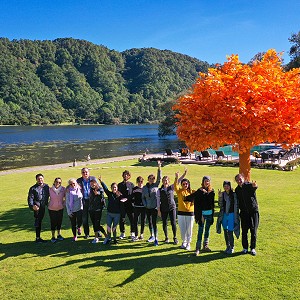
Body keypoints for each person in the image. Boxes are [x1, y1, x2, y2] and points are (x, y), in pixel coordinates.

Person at [185, 176, 215, 256]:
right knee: (200, 231)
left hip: (209, 214)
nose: (207, 182)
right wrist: (200, 215)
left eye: (208, 181)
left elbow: (211, 203)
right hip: (202, 215)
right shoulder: (199, 191)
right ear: (203, 182)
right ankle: (197, 248)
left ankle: (205, 246)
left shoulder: (212, 191)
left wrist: (207, 193)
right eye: (205, 181)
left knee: (207, 231)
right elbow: (189, 198)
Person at [156, 173, 185, 245]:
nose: (165, 181)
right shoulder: (159, 190)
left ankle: (175, 237)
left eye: (166, 180)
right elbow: (158, 201)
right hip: (163, 208)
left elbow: (178, 181)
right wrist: (158, 210)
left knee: (173, 223)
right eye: (164, 180)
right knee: (164, 223)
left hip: (172, 207)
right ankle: (166, 237)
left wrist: (183, 174)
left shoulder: (172, 187)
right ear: (162, 181)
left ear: (169, 181)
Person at [235, 174, 259, 256]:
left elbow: (254, 187)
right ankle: (245, 248)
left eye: (240, 179)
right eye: (237, 180)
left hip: (253, 212)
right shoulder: (237, 190)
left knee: (253, 230)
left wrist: (255, 186)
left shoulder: (248, 185)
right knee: (244, 231)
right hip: (244, 213)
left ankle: (252, 248)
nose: (239, 181)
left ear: (243, 178)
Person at [216, 181, 240, 254]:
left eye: (227, 186)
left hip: (231, 215)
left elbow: (236, 205)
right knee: (225, 231)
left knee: (230, 231)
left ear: (230, 186)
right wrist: (220, 197)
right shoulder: (223, 194)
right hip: (224, 215)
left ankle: (232, 247)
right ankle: (227, 246)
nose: (226, 187)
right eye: (225, 186)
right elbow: (220, 205)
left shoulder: (234, 194)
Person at [99, 176, 124, 245]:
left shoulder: (120, 195)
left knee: (114, 228)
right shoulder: (109, 194)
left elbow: (122, 205)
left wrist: (122, 215)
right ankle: (109, 238)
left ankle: (115, 239)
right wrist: (101, 181)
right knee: (109, 227)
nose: (114, 189)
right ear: (111, 188)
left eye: (115, 187)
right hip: (109, 214)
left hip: (117, 214)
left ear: (117, 188)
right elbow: (105, 188)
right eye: (113, 187)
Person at [142, 161, 162, 246]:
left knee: (154, 222)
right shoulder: (144, 187)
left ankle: (156, 238)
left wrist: (159, 167)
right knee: (149, 222)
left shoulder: (156, 185)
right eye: (150, 178)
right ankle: (152, 235)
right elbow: (142, 197)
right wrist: (145, 204)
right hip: (147, 207)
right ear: (148, 179)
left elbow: (159, 178)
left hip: (154, 208)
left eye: (153, 179)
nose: (152, 180)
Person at [174, 168, 194, 251]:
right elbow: (175, 185)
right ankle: (184, 242)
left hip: (190, 213)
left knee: (189, 229)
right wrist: (177, 177)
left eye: (186, 184)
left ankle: (188, 243)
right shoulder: (179, 191)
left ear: (188, 184)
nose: (185, 185)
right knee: (182, 229)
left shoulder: (192, 192)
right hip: (181, 213)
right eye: (184, 184)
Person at [27, 173, 50, 243]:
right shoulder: (33, 188)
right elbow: (30, 198)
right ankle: (38, 238)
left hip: (43, 206)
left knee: (40, 220)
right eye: (38, 179)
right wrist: (32, 206)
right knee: (38, 221)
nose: (40, 180)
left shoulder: (46, 186)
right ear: (36, 180)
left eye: (41, 178)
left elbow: (50, 194)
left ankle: (38, 237)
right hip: (37, 207)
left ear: (43, 179)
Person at [76, 168, 97, 239]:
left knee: (94, 218)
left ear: (89, 172)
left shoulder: (93, 178)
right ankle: (86, 233)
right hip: (83, 202)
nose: (85, 173)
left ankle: (97, 232)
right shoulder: (78, 181)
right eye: (83, 172)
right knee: (85, 219)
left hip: (92, 202)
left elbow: (99, 188)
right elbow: (72, 187)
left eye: (86, 172)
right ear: (81, 173)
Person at [118, 170, 135, 239]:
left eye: (127, 175)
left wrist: (127, 199)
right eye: (124, 174)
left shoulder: (131, 184)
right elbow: (118, 193)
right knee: (122, 219)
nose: (125, 176)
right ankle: (122, 232)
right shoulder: (119, 185)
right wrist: (121, 198)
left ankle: (132, 232)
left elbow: (132, 194)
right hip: (122, 204)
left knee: (132, 219)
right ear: (122, 175)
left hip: (130, 205)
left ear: (129, 176)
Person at [89, 179, 107, 243]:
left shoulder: (100, 189)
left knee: (97, 224)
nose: (92, 185)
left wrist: (98, 193)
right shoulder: (91, 189)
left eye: (93, 183)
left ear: (96, 183)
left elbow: (101, 195)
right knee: (94, 224)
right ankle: (96, 238)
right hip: (91, 209)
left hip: (98, 209)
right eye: (91, 184)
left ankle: (106, 236)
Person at [48, 177, 66, 243]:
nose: (58, 183)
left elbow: (66, 197)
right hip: (52, 209)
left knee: (59, 222)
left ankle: (59, 234)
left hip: (60, 208)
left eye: (59, 182)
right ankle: (53, 236)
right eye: (57, 182)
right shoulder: (50, 189)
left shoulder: (63, 189)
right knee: (53, 222)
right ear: (54, 182)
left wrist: (63, 204)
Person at [131, 176, 146, 241]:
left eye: (141, 181)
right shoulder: (134, 189)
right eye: (139, 181)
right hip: (136, 207)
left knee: (143, 221)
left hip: (144, 207)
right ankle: (136, 235)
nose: (140, 183)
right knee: (135, 221)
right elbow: (132, 197)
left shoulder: (145, 188)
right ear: (137, 182)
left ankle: (141, 234)